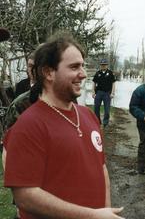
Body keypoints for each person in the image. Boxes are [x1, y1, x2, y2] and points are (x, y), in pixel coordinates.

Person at [3, 34, 124, 219]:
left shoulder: (88, 116)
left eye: (83, 66)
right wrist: (91, 215)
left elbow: (102, 169)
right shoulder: (28, 125)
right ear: (49, 72)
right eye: (74, 67)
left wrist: (105, 212)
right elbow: (25, 196)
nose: (83, 74)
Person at [92, 59, 116, 127]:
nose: (103, 66)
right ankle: (97, 121)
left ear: (107, 65)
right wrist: (93, 92)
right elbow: (94, 82)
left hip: (107, 93)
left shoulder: (110, 73)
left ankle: (105, 123)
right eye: (102, 65)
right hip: (98, 93)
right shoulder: (98, 73)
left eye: (104, 65)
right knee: (96, 108)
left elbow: (113, 83)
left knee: (107, 110)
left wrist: (112, 93)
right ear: (100, 65)